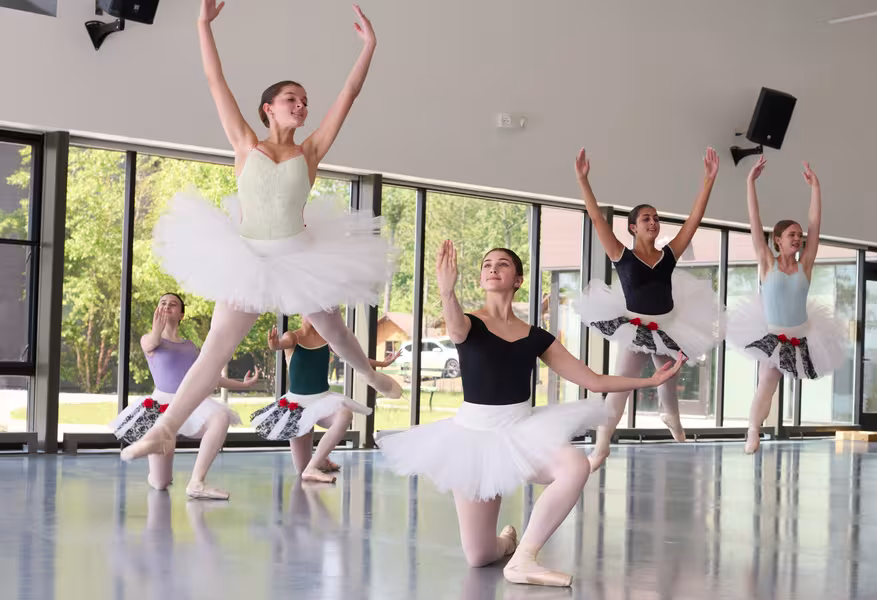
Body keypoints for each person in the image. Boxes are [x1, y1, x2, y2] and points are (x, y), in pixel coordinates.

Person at [122, 0, 399, 463]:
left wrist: (369, 47)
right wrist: (202, 24)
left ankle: (372, 378)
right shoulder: (245, 144)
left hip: (299, 253)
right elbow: (216, 82)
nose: (302, 105)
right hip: (248, 257)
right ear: (268, 109)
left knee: (335, 331)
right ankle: (165, 428)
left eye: (305, 100)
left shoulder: (309, 152)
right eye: (292, 99)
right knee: (214, 351)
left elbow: (347, 96)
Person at [379, 242, 684, 587]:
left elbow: (593, 380)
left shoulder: (537, 337)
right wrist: (447, 292)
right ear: (481, 279)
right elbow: (455, 328)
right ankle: (507, 543)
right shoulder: (469, 324)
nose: (493, 268)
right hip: (473, 438)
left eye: (502, 264)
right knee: (479, 556)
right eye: (487, 264)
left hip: (521, 430)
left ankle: (524, 558)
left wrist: (649, 379)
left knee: (575, 465)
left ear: (518, 279)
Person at [573, 147, 723, 470]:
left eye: (656, 218)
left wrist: (708, 181)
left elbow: (694, 221)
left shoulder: (669, 255)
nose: (653, 222)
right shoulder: (621, 255)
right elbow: (597, 218)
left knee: (667, 382)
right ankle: (601, 447)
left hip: (668, 325)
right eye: (646, 219)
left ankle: (671, 417)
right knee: (621, 388)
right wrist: (584, 181)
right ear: (633, 228)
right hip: (636, 328)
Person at [727, 157, 845, 454]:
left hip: (802, 333)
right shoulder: (767, 262)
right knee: (768, 381)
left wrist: (815, 188)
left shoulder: (806, 264)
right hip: (772, 333)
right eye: (791, 235)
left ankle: (764, 428)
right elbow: (754, 222)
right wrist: (750, 183)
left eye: (798, 235)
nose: (798, 238)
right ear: (777, 240)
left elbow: (815, 225)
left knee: (780, 381)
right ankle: (753, 431)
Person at [111, 293, 257, 499]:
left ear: (181, 314)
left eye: (173, 304)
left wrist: (242, 384)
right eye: (162, 303)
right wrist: (156, 331)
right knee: (160, 483)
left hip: (192, 402)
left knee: (220, 417)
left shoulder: (190, 346)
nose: (167, 306)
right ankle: (157, 474)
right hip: (161, 403)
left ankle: (197, 481)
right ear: (157, 310)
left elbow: (206, 376)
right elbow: (151, 342)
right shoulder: (149, 340)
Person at [253, 320, 398, 483]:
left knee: (345, 414)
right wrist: (274, 344)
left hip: (323, 401)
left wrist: (382, 363)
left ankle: (315, 464)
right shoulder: (292, 337)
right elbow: (280, 344)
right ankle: (319, 462)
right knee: (301, 470)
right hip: (298, 407)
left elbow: (353, 358)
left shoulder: (327, 337)